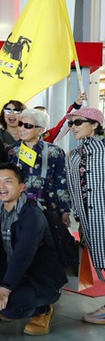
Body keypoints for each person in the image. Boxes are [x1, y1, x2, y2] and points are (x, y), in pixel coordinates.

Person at [0, 163, 67, 336]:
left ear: (22, 187)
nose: (1, 187)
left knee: (12, 309)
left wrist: (4, 291)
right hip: (13, 269)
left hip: (39, 277)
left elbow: (23, 255)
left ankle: (43, 310)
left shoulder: (32, 215)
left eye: (8, 181)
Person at [65, 107, 105, 325]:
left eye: (78, 122)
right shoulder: (74, 154)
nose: (73, 127)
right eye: (71, 123)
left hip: (103, 214)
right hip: (88, 219)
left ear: (95, 124)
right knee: (100, 258)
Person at [5, 109, 71, 226]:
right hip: (17, 208)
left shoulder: (54, 152)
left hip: (48, 207)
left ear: (40, 130)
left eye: (28, 126)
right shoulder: (11, 151)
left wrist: (65, 210)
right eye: (20, 124)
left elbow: (61, 182)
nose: (21, 128)